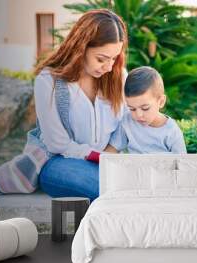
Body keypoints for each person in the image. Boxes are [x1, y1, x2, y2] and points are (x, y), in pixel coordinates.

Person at [34, 9, 128, 201]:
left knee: (125, 187)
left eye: (114, 58)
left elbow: (125, 124)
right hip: (61, 164)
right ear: (81, 48)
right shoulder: (49, 81)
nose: (109, 67)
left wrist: (108, 156)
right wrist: (98, 157)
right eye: (101, 59)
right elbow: (57, 143)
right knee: (109, 190)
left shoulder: (119, 76)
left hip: (105, 162)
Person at [106, 66, 187, 154]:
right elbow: (112, 149)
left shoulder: (171, 131)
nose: (138, 115)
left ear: (161, 102)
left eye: (145, 108)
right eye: (132, 109)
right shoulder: (127, 122)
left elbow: (181, 161)